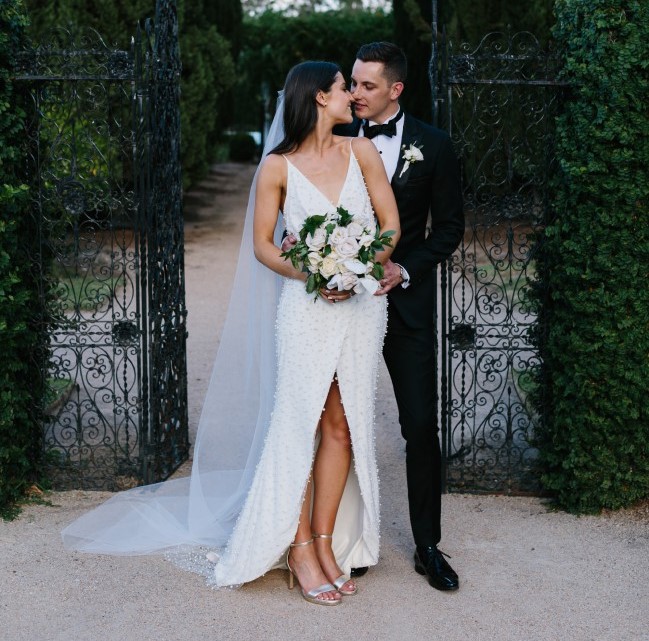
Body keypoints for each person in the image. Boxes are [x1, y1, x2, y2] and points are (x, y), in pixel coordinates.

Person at [62, 61, 401, 607]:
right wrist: (315, 274)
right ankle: (298, 549)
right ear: (319, 97)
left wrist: (358, 268)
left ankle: (325, 543)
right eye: (344, 88)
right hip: (308, 309)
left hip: (361, 309)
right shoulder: (277, 167)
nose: (352, 97)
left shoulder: (361, 152)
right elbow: (264, 245)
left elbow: (390, 226)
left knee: (344, 425)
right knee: (298, 425)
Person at [285, 43, 464, 591]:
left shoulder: (434, 146)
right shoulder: (331, 136)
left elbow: (449, 229)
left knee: (419, 424)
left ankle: (428, 546)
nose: (357, 93)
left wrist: (403, 270)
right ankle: (345, 542)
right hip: (338, 309)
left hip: (402, 304)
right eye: (353, 84)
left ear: (395, 89)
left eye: (367, 85)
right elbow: (300, 207)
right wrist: (303, 251)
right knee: (340, 424)